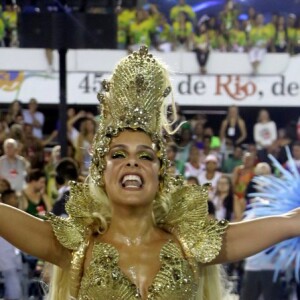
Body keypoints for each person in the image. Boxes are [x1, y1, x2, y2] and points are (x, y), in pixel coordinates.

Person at [1, 46, 300, 300]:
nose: (132, 162)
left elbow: (292, 222)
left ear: (161, 174)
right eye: (118, 154)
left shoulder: (191, 246)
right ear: (102, 172)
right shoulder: (75, 247)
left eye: (145, 156)